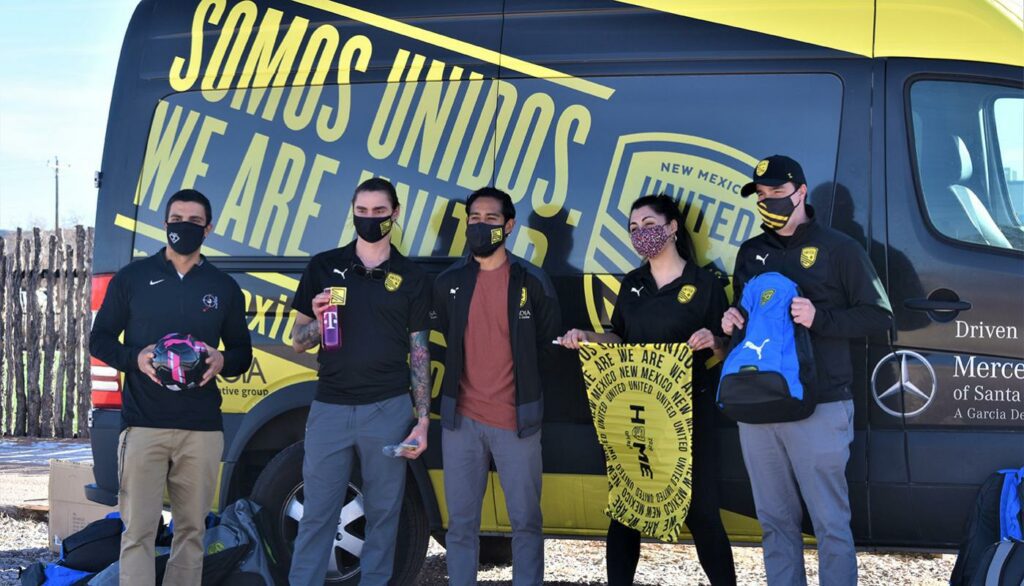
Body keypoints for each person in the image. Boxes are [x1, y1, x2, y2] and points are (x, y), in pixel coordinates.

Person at [723, 155, 892, 585]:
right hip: (758, 407)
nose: (767, 202)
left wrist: (821, 318)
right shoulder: (751, 252)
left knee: (830, 525)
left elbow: (879, 317)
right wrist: (730, 323)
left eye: (776, 194)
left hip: (821, 406)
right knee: (775, 523)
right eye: (760, 196)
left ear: (800, 192)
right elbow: (746, 324)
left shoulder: (840, 249)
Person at [558, 194, 737, 586]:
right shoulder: (634, 283)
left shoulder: (705, 283)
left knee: (703, 512)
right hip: (636, 410)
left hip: (689, 411)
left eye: (650, 225)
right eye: (634, 228)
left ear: (673, 227)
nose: (642, 235)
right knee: (626, 509)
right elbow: (619, 339)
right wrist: (585, 337)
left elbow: (727, 347)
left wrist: (714, 340)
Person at [89, 189, 253, 586]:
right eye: (177, 219)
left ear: (208, 229)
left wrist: (220, 361)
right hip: (144, 425)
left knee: (191, 533)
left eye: (195, 222)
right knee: (138, 533)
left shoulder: (223, 287)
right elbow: (100, 340)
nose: (184, 227)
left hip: (201, 430)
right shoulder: (133, 278)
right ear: (164, 224)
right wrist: (137, 359)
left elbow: (242, 354)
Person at [287, 177, 432, 586]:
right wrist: (314, 318)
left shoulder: (411, 277)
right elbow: (298, 343)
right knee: (317, 513)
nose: (369, 219)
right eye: (362, 211)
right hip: (330, 408)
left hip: (388, 410)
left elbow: (419, 351)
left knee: (385, 515)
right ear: (352, 211)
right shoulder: (323, 266)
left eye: (379, 212)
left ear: (395, 213)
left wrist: (421, 421)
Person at [432, 187, 562, 586]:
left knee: (525, 523)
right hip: (461, 423)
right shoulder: (448, 282)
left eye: (491, 219)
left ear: (509, 226)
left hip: (516, 422)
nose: (481, 225)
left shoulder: (533, 282)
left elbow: (549, 348)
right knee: (461, 526)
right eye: (474, 218)